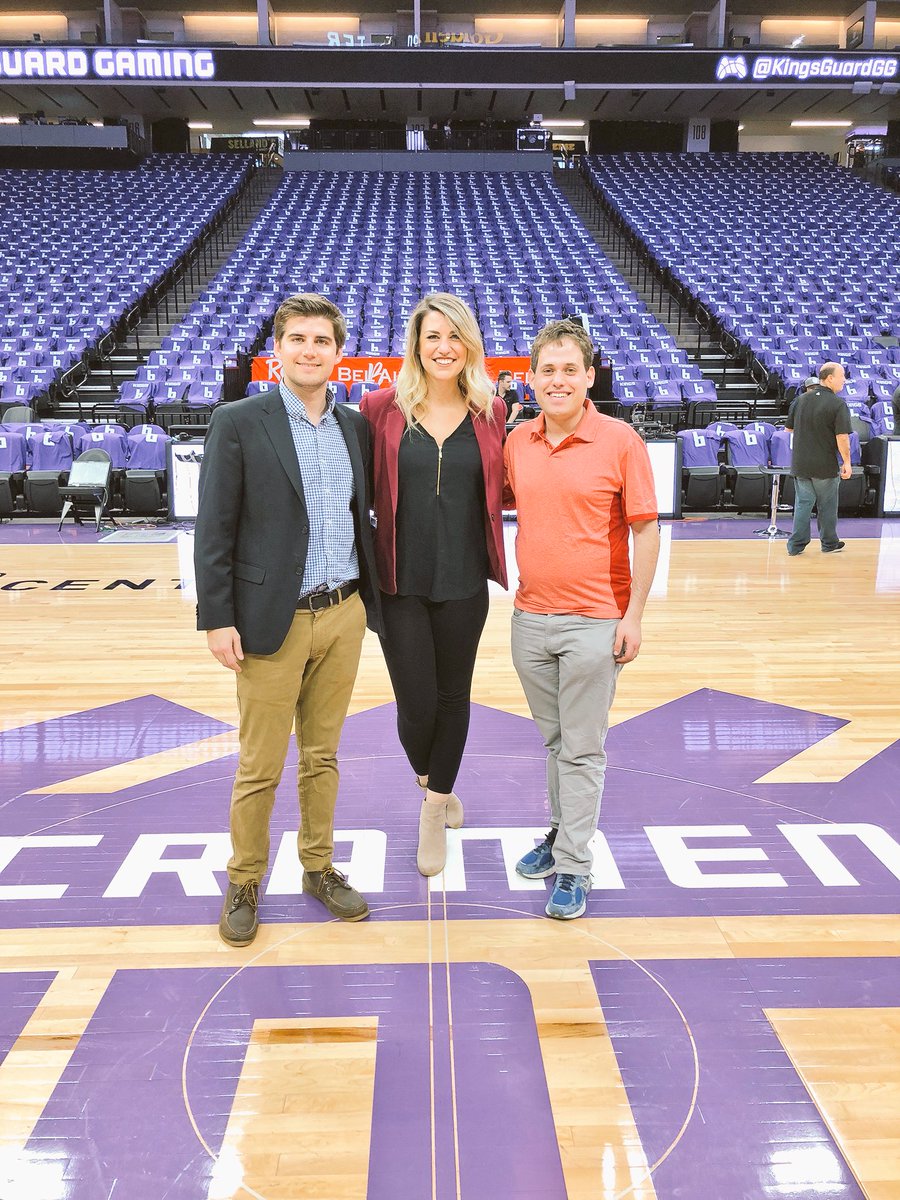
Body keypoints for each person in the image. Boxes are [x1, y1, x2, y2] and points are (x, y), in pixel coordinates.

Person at [194, 293, 383, 946]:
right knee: (260, 765)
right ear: (277, 350)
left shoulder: (355, 426)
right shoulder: (240, 420)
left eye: (322, 341)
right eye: (297, 339)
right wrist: (217, 618)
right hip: (270, 618)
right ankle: (245, 879)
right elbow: (214, 527)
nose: (309, 351)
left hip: (343, 614)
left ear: (339, 353)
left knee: (323, 756)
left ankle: (318, 866)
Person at [504, 319, 660, 920]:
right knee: (556, 742)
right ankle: (559, 833)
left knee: (583, 749)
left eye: (571, 369)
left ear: (589, 377)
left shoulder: (621, 440)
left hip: (597, 621)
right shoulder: (518, 442)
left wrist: (635, 616)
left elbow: (645, 530)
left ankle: (574, 865)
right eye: (548, 370)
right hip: (529, 619)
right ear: (532, 379)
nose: (559, 380)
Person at [361, 293, 507, 876]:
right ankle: (436, 781)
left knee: (454, 696)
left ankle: (432, 807)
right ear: (416, 347)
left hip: (465, 580)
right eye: (432, 337)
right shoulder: (379, 408)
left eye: (454, 337)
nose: (443, 348)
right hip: (399, 581)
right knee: (416, 703)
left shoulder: (491, 411)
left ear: (468, 345)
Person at [785, 361, 852, 557]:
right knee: (827, 506)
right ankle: (829, 543)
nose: (844, 380)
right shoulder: (838, 404)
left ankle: (795, 546)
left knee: (803, 505)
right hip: (824, 464)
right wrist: (847, 462)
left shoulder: (800, 400)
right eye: (842, 376)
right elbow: (842, 437)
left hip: (801, 463)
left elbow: (789, 429)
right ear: (830, 378)